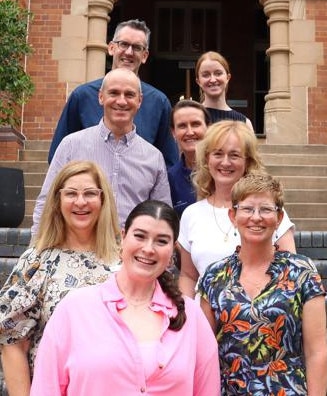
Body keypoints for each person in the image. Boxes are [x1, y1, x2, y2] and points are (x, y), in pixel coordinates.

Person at [30, 200, 221, 396]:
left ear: (173, 250)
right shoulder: (74, 309)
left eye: (161, 241)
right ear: (123, 237)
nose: (148, 248)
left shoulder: (192, 316)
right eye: (139, 236)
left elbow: (208, 390)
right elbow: (46, 388)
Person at [199, 173, 327, 395]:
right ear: (233, 215)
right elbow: (203, 353)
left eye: (266, 209)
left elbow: (317, 352)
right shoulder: (214, 276)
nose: (256, 217)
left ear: (278, 218)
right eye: (247, 209)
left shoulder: (302, 272)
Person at [0, 160, 121, 396]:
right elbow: (11, 339)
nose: (80, 202)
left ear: (103, 199)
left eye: (89, 193)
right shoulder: (37, 262)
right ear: (57, 201)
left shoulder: (123, 262)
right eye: (71, 194)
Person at [32, 68, 172, 235]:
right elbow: (47, 202)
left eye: (129, 95)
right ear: (101, 97)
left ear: (140, 101)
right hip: (77, 250)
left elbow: (161, 215)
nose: (121, 101)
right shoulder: (71, 145)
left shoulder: (153, 157)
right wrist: (36, 249)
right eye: (114, 93)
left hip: (128, 254)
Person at [178, 120, 296, 298]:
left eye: (234, 155)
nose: (225, 162)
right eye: (218, 154)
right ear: (207, 159)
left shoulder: (267, 212)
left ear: (247, 162)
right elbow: (188, 276)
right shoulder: (192, 214)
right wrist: (185, 316)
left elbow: (290, 269)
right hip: (203, 318)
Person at [48, 19, 178, 167]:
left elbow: (168, 163)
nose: (129, 52)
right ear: (111, 48)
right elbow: (58, 157)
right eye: (123, 44)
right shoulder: (82, 96)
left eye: (136, 47)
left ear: (144, 56)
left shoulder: (158, 103)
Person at [168, 99, 211, 217]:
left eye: (195, 124)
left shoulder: (224, 169)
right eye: (182, 126)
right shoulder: (169, 178)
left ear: (208, 127)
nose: (190, 132)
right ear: (173, 132)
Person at [195, 51, 254, 130]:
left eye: (218, 73)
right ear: (198, 81)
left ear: (228, 78)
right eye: (206, 75)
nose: (212, 79)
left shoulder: (244, 123)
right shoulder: (190, 118)